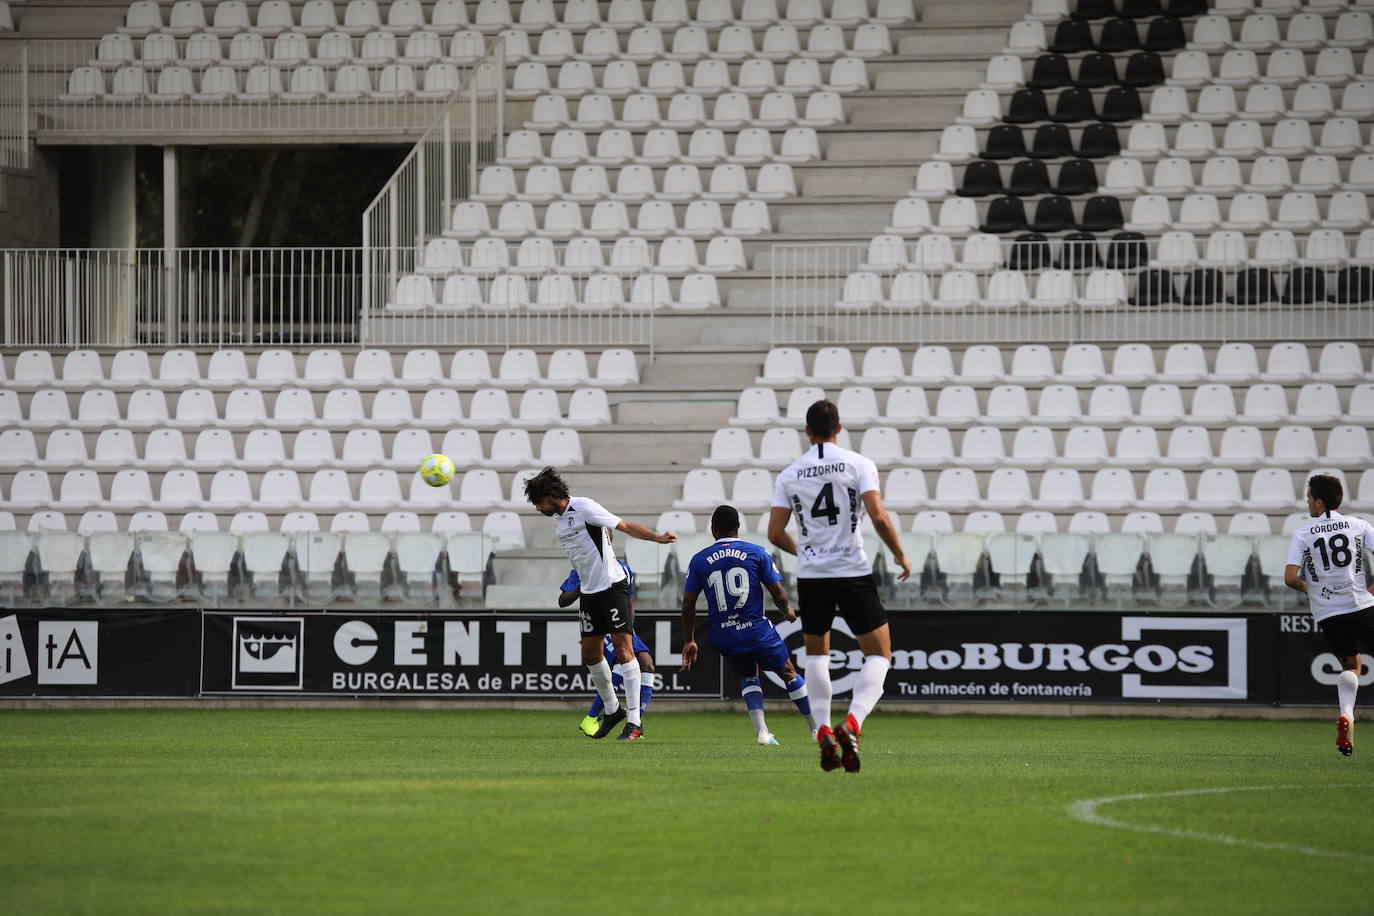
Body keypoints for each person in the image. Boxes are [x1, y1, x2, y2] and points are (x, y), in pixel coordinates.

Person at [768, 399, 912, 773]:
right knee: (879, 654)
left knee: (817, 655)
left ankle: (822, 730)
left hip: (813, 575)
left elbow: (775, 533)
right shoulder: (859, 464)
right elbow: (878, 517)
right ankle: (852, 723)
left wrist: (805, 551)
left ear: (807, 431)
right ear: (839, 428)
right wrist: (899, 554)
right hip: (851, 570)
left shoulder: (789, 474)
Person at [525, 466, 676, 741]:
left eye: (539, 502)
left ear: (552, 495)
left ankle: (634, 721)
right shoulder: (560, 521)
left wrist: (657, 538)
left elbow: (624, 526)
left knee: (624, 649)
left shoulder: (584, 507)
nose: (537, 508)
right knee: (591, 655)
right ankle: (613, 709)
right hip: (589, 593)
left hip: (612, 587)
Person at [680, 505, 818, 746]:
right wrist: (786, 610)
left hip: (724, 634)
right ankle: (817, 729)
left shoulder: (699, 560)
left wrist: (689, 640)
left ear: (713, 529)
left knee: (748, 674)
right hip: (756, 629)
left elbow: (688, 604)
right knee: (788, 671)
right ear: (738, 528)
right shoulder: (757, 553)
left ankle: (762, 732)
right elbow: (778, 593)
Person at [1284, 473, 1374, 757]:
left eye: (1309, 499)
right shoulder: (1359, 525)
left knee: (1351, 665)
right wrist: (1371, 591)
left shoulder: (1303, 533)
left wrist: (1310, 589)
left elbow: (1290, 578)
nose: (1308, 503)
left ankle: (1346, 714)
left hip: (1329, 612)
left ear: (1319, 503)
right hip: (1361, 604)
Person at [557, 560, 656, 738]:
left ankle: (635, 722)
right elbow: (562, 601)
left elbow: (628, 601)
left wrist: (630, 630)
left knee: (647, 664)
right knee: (620, 664)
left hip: (622, 625)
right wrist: (582, 586)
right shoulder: (582, 568)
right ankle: (592, 717)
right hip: (600, 626)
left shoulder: (623, 568)